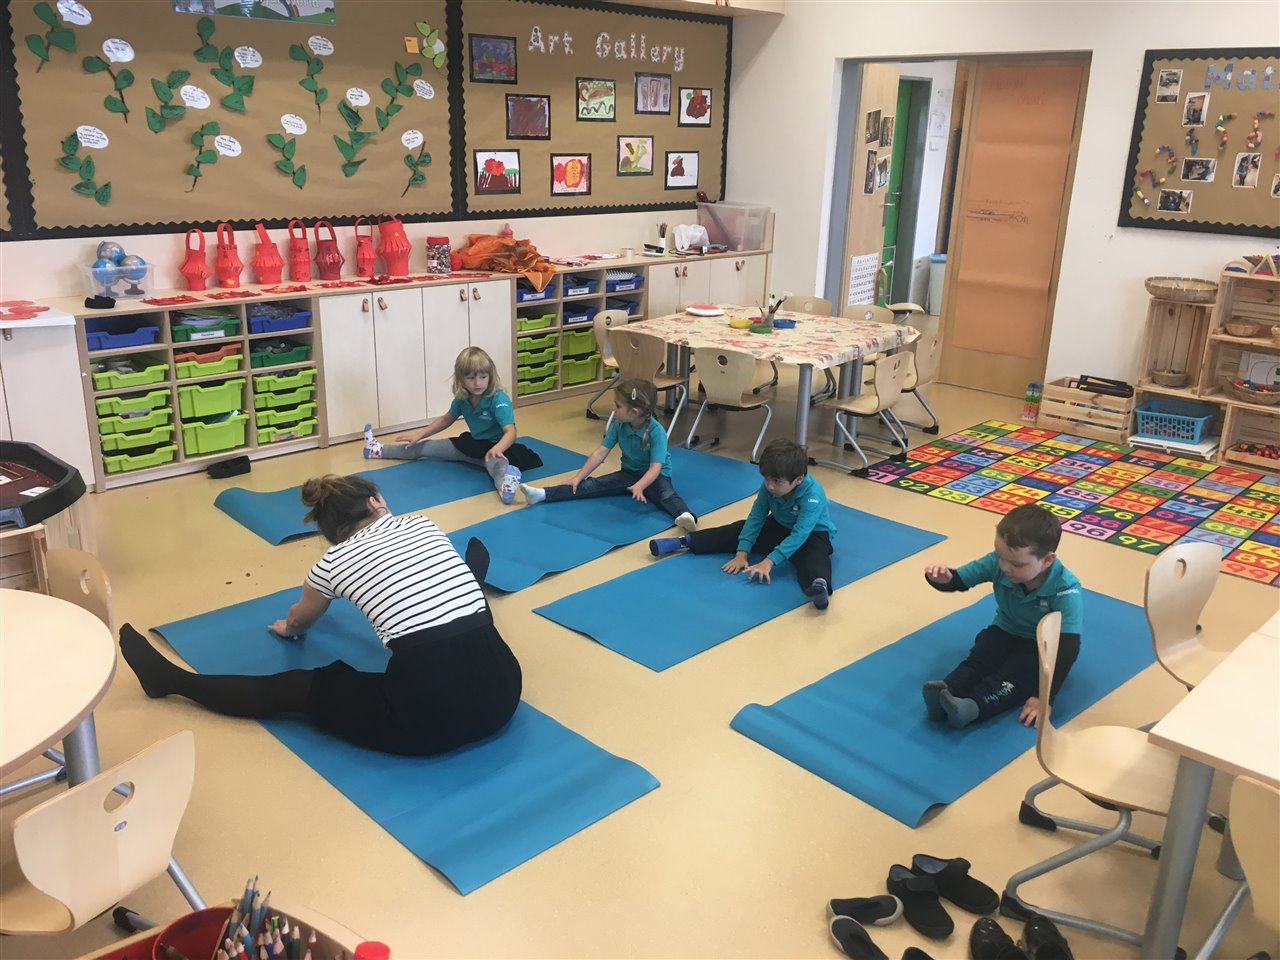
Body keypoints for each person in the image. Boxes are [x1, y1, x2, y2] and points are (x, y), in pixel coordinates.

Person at [118, 475, 522, 756]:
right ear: (376, 502)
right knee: (461, 604)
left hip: (428, 723)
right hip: (504, 690)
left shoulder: (330, 564)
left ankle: (170, 681)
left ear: (330, 532)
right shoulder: (423, 525)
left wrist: (288, 629)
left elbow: (298, 621)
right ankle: (472, 578)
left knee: (295, 689)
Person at [922, 503, 1082, 729]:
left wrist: (1044, 697)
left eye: (1016, 564)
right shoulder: (999, 562)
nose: (1005, 567)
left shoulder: (1065, 588)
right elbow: (960, 580)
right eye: (1000, 557)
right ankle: (945, 692)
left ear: (1047, 560)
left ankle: (971, 708)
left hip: (1038, 644)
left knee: (1014, 676)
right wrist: (943, 579)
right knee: (980, 658)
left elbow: (1068, 647)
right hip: (1004, 630)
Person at [649, 438, 836, 609]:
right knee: (737, 529)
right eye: (766, 479)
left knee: (814, 555)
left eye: (776, 481)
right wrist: (742, 553)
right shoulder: (769, 487)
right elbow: (756, 517)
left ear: (798, 480)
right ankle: (684, 541)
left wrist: (769, 562)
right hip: (780, 525)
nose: (770, 485)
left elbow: (800, 534)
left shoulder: (813, 495)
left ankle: (819, 586)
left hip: (812, 533)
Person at [362, 346, 540, 505]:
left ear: (490, 376)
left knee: (498, 467)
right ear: (461, 379)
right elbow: (446, 419)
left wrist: (498, 449)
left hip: (496, 449)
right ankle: (377, 450)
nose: (477, 383)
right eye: (471, 378)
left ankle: (505, 489)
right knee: (424, 448)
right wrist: (419, 435)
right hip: (471, 445)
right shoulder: (463, 399)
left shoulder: (498, 399)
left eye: (483, 377)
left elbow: (510, 432)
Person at [519, 378, 697, 531]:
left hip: (656, 477)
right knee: (590, 485)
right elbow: (600, 454)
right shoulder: (619, 425)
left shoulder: (656, 432)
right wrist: (578, 477)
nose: (614, 409)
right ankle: (542, 494)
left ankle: (686, 515)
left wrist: (640, 486)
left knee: (667, 496)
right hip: (629, 474)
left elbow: (655, 468)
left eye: (618, 406)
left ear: (634, 412)